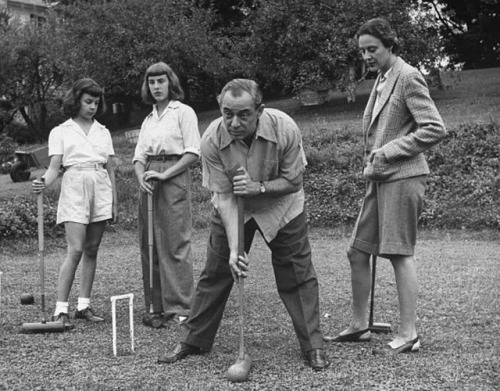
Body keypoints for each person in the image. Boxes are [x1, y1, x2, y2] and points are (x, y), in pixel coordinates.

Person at [156, 79, 330, 371]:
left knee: (297, 274)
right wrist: (235, 249)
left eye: (244, 114)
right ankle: (194, 339)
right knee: (217, 270)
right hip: (234, 207)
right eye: (227, 113)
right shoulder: (211, 138)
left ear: (259, 110)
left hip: (282, 206)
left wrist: (258, 188)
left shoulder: (284, 127)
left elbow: (294, 181)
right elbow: (223, 196)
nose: (234, 122)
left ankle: (313, 344)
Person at [324, 18, 447, 354]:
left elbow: (435, 129)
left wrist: (389, 151)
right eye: (362, 50)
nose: (366, 55)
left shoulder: (407, 77)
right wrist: (375, 161)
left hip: (405, 176)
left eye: (372, 49)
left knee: (398, 252)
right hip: (379, 177)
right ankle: (359, 325)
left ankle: (409, 334)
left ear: (390, 45)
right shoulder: (381, 78)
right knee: (357, 251)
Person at [32, 78, 117, 329]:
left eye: (96, 102)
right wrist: (42, 183)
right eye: (88, 102)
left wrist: (114, 202)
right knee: (76, 249)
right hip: (74, 186)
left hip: (100, 185)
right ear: (76, 101)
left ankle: (83, 305)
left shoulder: (103, 131)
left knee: (92, 249)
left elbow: (110, 169)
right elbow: (54, 168)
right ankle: (61, 309)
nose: (92, 107)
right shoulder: (61, 131)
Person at [133, 62, 199, 327]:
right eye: (152, 82)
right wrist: (141, 176)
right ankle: (155, 305)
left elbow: (193, 152)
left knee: (175, 242)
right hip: (149, 177)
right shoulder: (148, 119)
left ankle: (181, 306)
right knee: (149, 243)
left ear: (171, 83)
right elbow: (139, 156)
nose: (156, 87)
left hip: (173, 176)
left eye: (161, 81)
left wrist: (165, 173)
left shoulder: (183, 112)